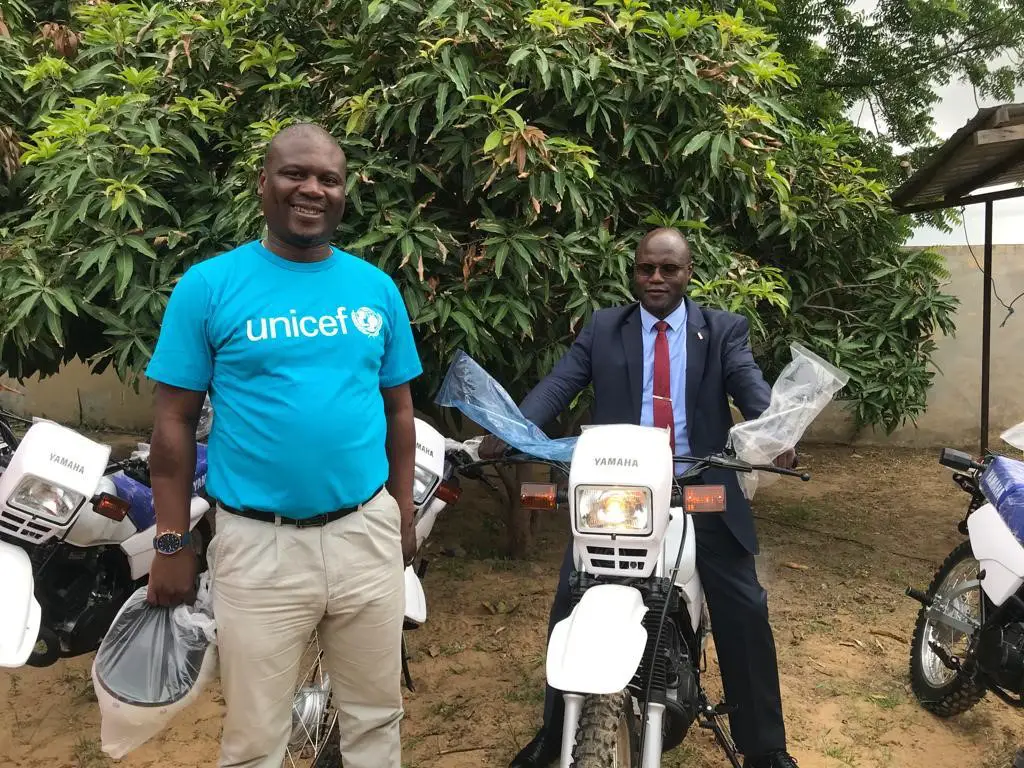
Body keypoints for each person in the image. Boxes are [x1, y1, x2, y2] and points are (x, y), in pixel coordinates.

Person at [144, 123, 422, 768]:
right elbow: (174, 422)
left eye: (329, 178)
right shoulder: (209, 287)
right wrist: (171, 540)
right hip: (258, 547)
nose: (312, 189)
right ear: (263, 182)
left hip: (364, 534)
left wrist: (400, 513)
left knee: (376, 720)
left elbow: (399, 408)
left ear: (344, 192)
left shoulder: (374, 288)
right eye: (296, 173)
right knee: (254, 739)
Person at [481, 227, 799, 768]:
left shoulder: (722, 330)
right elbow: (560, 384)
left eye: (668, 269)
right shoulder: (606, 328)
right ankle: (557, 733)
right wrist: (511, 429)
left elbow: (749, 385)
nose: (655, 278)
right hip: (620, 488)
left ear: (688, 273)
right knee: (571, 599)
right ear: (634, 272)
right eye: (646, 268)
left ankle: (765, 747)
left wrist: (776, 434)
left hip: (702, 485)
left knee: (743, 605)